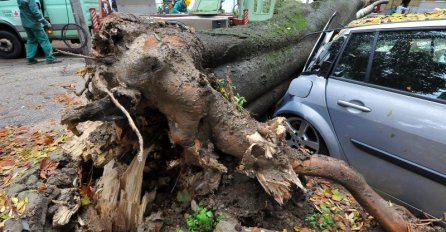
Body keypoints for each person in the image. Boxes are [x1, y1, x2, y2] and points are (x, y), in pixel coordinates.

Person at [17, 0, 61, 64]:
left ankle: (30, 59)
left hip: (25, 23)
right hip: (34, 24)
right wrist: (45, 22)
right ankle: (50, 58)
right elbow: (35, 12)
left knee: (31, 40)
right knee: (44, 40)